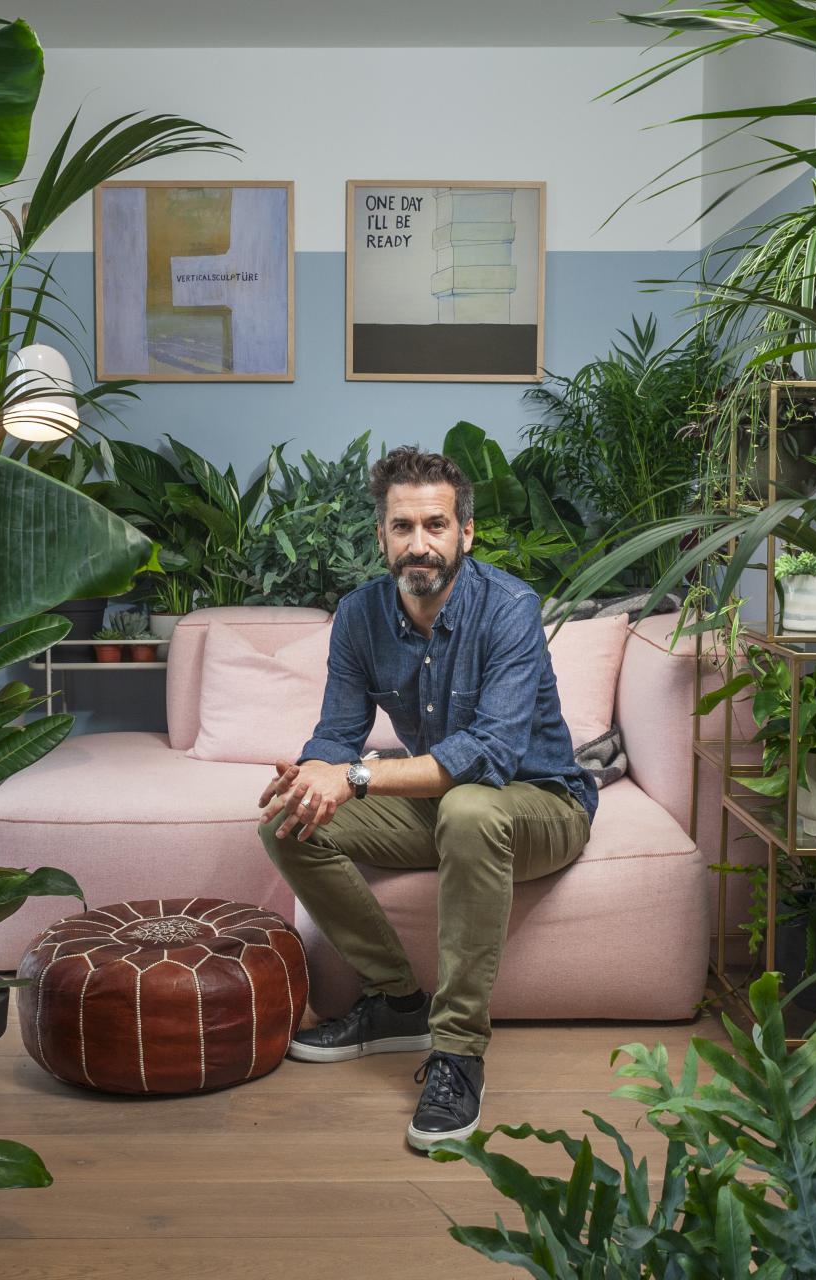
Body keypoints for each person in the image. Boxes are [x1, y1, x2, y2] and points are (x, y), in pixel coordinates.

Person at [256, 445, 595, 1152]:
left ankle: (458, 1053)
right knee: (288, 820)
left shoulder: (509, 608)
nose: (420, 543)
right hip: (447, 805)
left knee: (471, 806)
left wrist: (352, 777)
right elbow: (337, 732)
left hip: (541, 803)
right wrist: (314, 775)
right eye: (403, 527)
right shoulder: (360, 615)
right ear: (381, 535)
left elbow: (490, 757)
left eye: (435, 525)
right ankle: (394, 1003)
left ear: (464, 534)